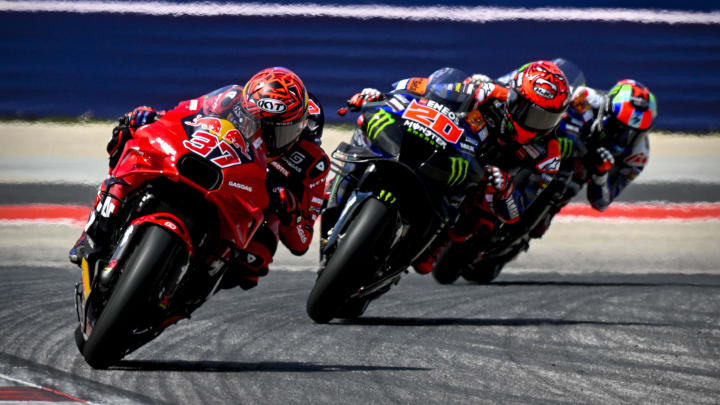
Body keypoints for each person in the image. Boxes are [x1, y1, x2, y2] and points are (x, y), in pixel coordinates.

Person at [69, 67, 330, 290]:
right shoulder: (231, 99)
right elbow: (184, 113)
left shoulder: (313, 163)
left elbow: (302, 240)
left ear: (300, 127)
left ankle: (193, 284)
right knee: (129, 136)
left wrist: (291, 209)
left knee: (255, 261)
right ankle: (96, 229)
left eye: (279, 130)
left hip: (255, 207)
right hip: (216, 171)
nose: (267, 137)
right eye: (260, 124)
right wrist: (152, 116)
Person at [344, 60, 571, 274]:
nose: (535, 124)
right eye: (531, 113)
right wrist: (384, 96)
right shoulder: (488, 92)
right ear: (513, 97)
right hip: (451, 152)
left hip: (485, 184)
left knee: (480, 226)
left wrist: (505, 189)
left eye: (546, 119)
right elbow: (425, 87)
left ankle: (434, 243)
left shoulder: (548, 156)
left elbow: (516, 211)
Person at [529, 79, 658, 238]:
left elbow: (602, 202)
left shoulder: (638, 156)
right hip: (564, 143)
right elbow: (573, 94)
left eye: (635, 134)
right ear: (608, 110)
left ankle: (548, 210)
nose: (623, 137)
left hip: (581, 169)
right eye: (618, 127)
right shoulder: (594, 100)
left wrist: (601, 175)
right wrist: (585, 126)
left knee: (541, 224)